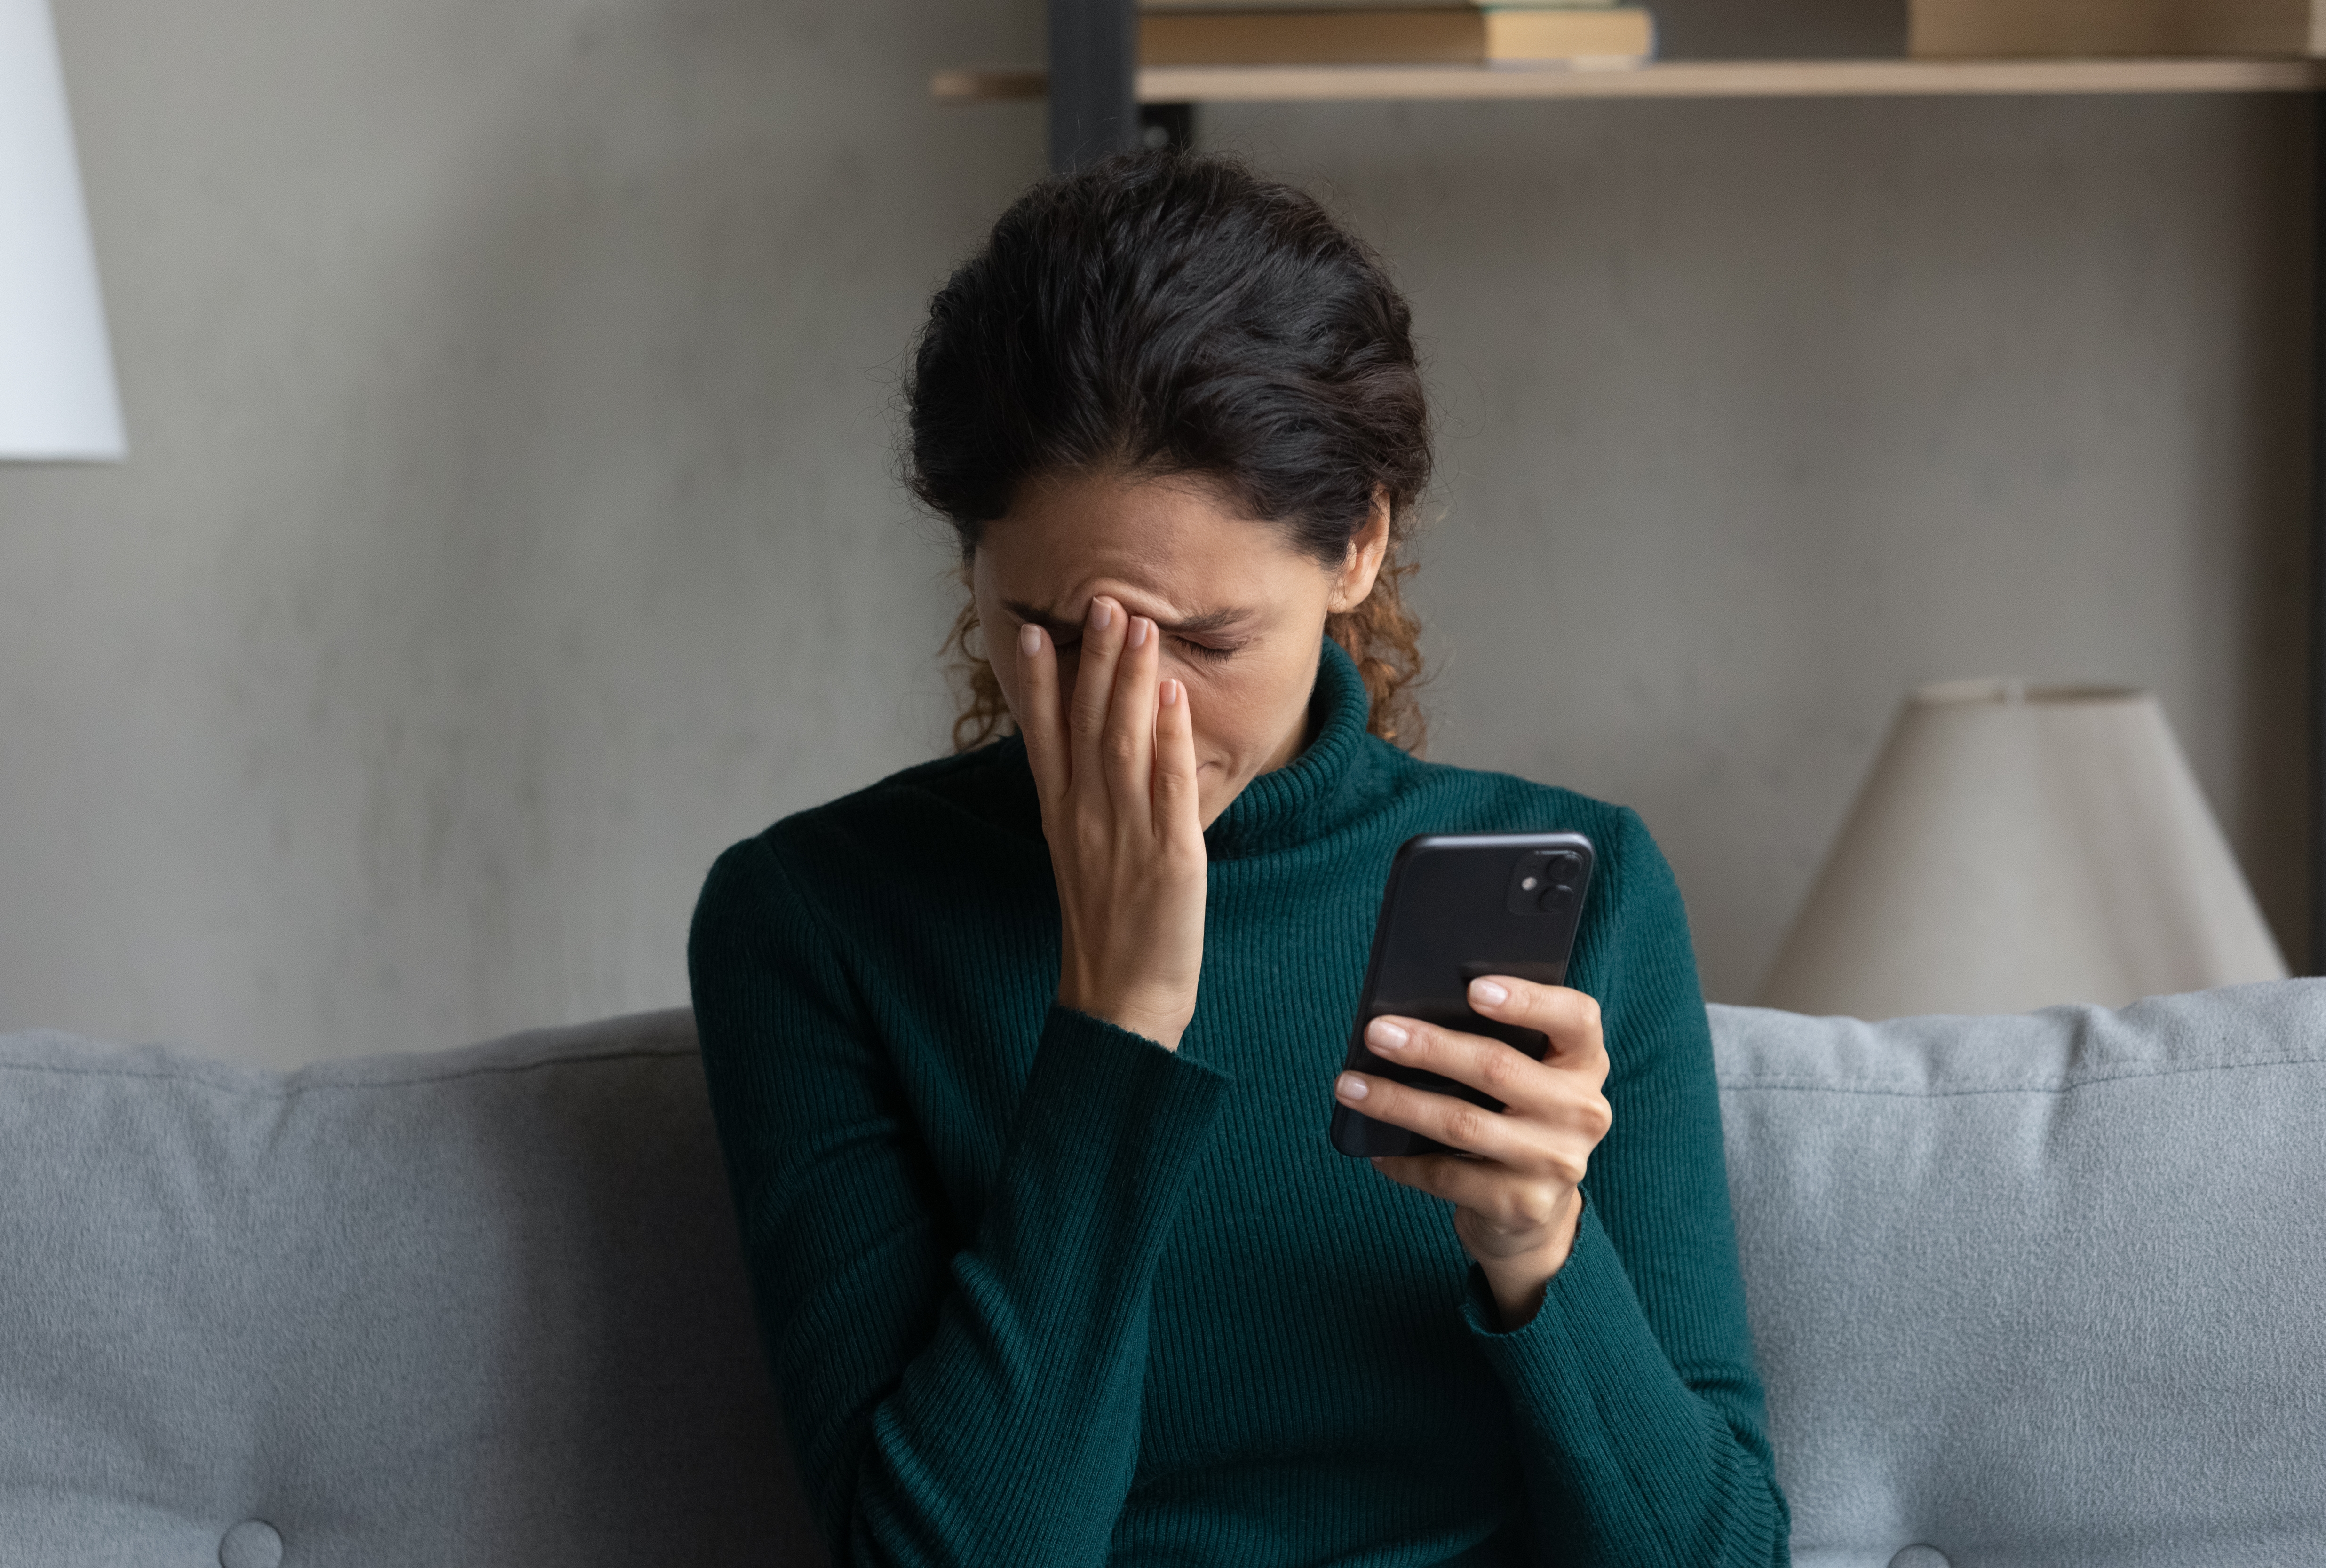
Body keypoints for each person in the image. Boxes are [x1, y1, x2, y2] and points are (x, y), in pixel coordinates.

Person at [689, 150, 1788, 1567]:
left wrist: (1537, 1260)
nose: (1137, 712)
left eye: (1205, 642)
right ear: (973, 569)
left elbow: (1719, 1555)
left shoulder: (1592, 888)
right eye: (1060, 635)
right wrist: (1116, 1024)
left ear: (1359, 549)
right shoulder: (818, 923)